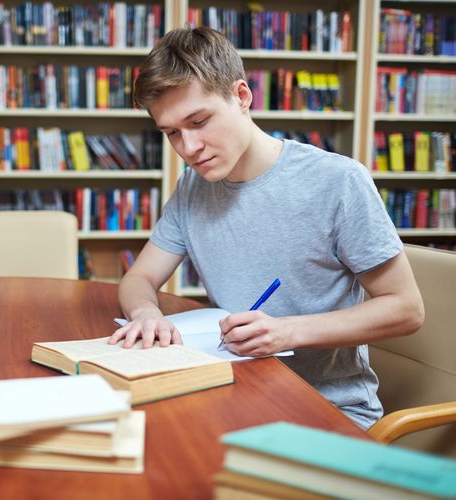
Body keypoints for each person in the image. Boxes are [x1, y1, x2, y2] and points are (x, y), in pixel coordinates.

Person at [109, 26, 424, 429]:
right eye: (172, 133)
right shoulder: (194, 186)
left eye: (199, 121)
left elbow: (406, 309)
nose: (189, 148)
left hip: (325, 409)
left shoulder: (337, 181)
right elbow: (138, 278)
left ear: (241, 96)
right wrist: (146, 312)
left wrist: (287, 332)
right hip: (233, 393)